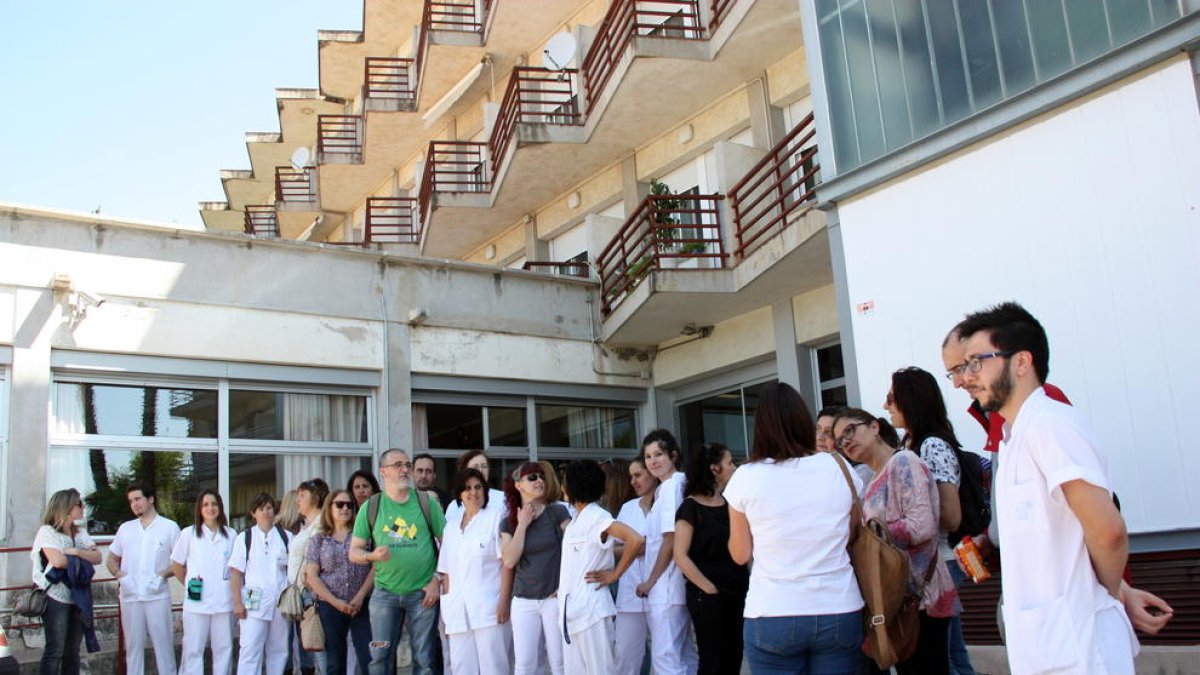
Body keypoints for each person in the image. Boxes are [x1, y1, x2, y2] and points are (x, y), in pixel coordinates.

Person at [941, 325, 1174, 638]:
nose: (961, 381)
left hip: (1072, 611)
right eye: (954, 372)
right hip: (1042, 608)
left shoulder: (1046, 418)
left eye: (967, 366)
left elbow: (1100, 522)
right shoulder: (1007, 423)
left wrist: (1114, 591)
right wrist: (992, 538)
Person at [956, 302, 1140, 674]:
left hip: (1081, 647)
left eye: (977, 362)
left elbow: (1108, 531)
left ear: (1022, 362)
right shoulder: (1012, 438)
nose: (965, 378)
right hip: (1046, 646)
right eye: (962, 367)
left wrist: (1102, 595)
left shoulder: (1051, 425)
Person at [725, 383, 863, 673]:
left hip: (772, 610)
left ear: (761, 427)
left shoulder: (746, 476)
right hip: (838, 606)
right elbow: (852, 535)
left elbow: (740, 554)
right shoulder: (838, 467)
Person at [834, 407, 956, 674]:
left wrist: (874, 536)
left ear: (875, 427)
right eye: (840, 441)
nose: (846, 441)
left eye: (850, 430)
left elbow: (921, 526)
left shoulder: (903, 462)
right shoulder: (874, 478)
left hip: (921, 599)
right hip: (900, 598)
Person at [885, 367, 974, 675]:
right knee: (949, 653)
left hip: (939, 562)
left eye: (891, 398)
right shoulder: (910, 444)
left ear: (910, 400)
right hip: (927, 564)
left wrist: (909, 519)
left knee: (943, 656)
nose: (886, 406)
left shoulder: (931, 445)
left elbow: (951, 515)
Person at [349, 448, 446, 675]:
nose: (405, 470)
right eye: (398, 465)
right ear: (383, 471)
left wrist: (436, 579)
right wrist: (372, 556)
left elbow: (448, 546)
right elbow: (354, 551)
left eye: (407, 465)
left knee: (424, 659)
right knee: (379, 656)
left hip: (423, 594)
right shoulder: (371, 506)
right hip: (384, 594)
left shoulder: (426, 503)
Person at [558, 460, 644, 675]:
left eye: (565, 482)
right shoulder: (576, 520)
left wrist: (614, 575)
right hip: (571, 613)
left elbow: (634, 539)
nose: (562, 487)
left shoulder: (597, 516)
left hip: (593, 612)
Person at [673, 442, 748, 675]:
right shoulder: (690, 508)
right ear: (715, 469)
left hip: (737, 591)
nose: (734, 467)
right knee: (712, 661)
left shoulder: (732, 505)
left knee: (734, 656)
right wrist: (708, 589)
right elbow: (680, 555)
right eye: (730, 462)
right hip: (707, 596)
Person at [635, 429, 698, 675]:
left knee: (665, 659)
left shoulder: (673, 486)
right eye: (648, 456)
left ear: (673, 455)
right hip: (671, 587)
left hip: (667, 587)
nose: (653, 461)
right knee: (683, 655)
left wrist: (650, 581)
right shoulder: (668, 487)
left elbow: (671, 538)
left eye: (658, 454)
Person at [500, 462, 571, 675]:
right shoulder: (508, 522)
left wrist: (566, 586)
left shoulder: (557, 512)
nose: (539, 480)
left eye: (541, 476)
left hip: (553, 598)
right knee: (524, 664)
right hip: (523, 600)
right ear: (518, 485)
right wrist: (522, 524)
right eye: (532, 477)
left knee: (560, 662)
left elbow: (575, 549)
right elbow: (509, 561)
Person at [437, 468, 510, 675]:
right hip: (457, 610)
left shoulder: (495, 518)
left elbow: (506, 564)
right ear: (459, 493)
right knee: (461, 667)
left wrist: (504, 602)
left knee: (493, 667)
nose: (473, 492)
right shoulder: (450, 527)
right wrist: (448, 606)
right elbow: (446, 572)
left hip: (489, 607)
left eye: (478, 487)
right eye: (467, 488)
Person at [106, 483, 180, 675]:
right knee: (133, 648)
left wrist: (162, 575)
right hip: (130, 595)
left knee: (164, 646)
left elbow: (179, 562)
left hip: (157, 595)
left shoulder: (169, 527)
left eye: (138, 499)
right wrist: (121, 576)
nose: (135, 504)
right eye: (131, 501)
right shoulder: (126, 529)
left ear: (150, 499)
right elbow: (111, 560)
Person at [306, 489, 374, 675]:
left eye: (349, 505)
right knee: (335, 662)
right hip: (330, 606)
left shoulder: (363, 536)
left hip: (361, 604)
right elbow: (312, 575)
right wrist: (335, 602)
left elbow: (375, 568)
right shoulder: (318, 540)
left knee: (369, 657)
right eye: (340, 504)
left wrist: (360, 597)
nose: (345, 509)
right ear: (329, 507)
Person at [34, 488, 101, 675]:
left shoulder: (79, 533)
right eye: (79, 504)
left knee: (73, 650)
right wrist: (83, 558)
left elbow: (98, 557)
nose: (83, 507)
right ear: (67, 507)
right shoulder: (47, 532)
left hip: (78, 597)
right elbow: (57, 561)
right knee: (55, 649)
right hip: (55, 597)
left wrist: (76, 552)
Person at [170, 490, 236, 675]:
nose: (210, 508)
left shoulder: (231, 535)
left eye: (214, 504)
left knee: (223, 648)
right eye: (205, 504)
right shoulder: (188, 533)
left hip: (224, 601)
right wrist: (190, 585)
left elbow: (236, 568)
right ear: (199, 509)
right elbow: (176, 565)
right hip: (196, 602)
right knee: (193, 649)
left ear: (220, 507)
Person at [229, 492, 293, 675]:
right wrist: (237, 603)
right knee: (250, 648)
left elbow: (294, 568)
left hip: (280, 600)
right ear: (253, 513)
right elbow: (236, 573)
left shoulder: (286, 537)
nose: (266, 512)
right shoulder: (245, 538)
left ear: (274, 511)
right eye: (261, 508)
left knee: (279, 649)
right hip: (253, 600)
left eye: (269, 508)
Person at [613, 458, 658, 675]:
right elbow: (613, 548)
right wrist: (635, 547)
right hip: (630, 592)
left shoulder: (668, 504)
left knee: (665, 655)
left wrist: (645, 547)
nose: (633, 481)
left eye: (638, 475)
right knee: (625, 655)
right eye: (631, 476)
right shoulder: (628, 508)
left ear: (652, 473)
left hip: (661, 590)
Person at [288, 478, 330, 675]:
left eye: (302, 495)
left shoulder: (320, 524)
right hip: (302, 593)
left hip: (313, 592)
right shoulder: (307, 525)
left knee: (319, 644)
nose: (297, 500)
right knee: (310, 645)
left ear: (315, 497)